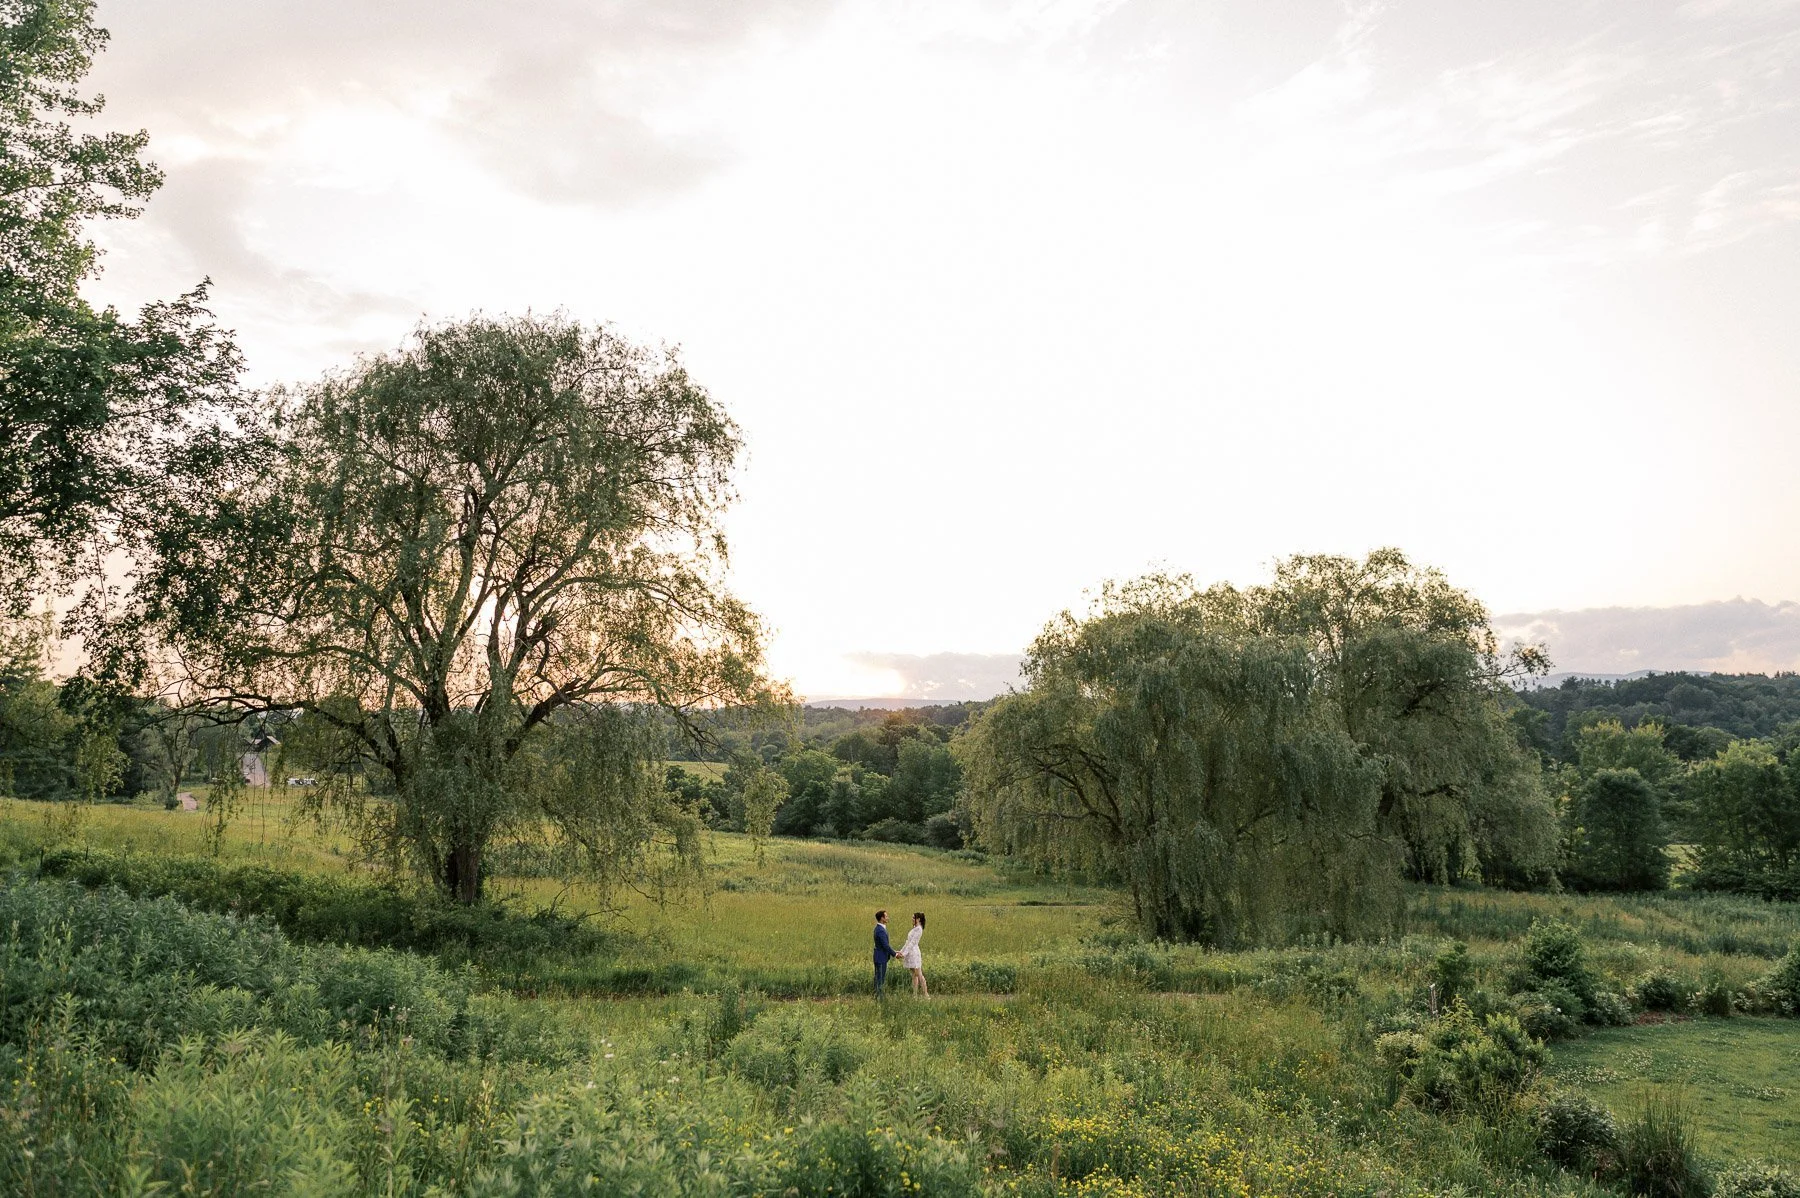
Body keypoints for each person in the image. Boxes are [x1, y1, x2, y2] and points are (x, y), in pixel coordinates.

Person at [898, 911, 928, 998]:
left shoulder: (919, 929)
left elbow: (912, 943)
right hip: (910, 952)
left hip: (914, 952)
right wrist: (901, 951)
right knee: (914, 974)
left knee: (919, 973)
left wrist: (904, 954)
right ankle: (915, 994)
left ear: (918, 919)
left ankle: (926, 994)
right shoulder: (915, 928)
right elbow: (907, 942)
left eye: (913, 918)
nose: (912, 919)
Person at [872, 909, 895, 997]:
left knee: (878, 977)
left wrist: (894, 951)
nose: (888, 918)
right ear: (882, 918)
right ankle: (880, 997)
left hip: (879, 956)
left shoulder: (879, 928)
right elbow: (885, 945)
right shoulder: (880, 930)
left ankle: (877, 995)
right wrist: (894, 954)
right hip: (881, 957)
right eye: (886, 916)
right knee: (880, 978)